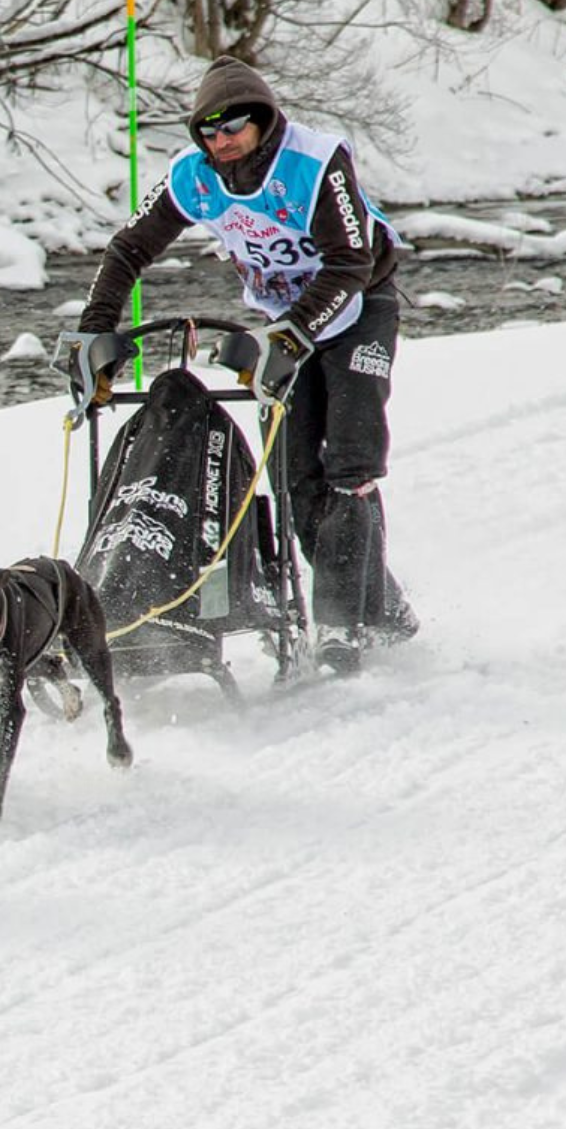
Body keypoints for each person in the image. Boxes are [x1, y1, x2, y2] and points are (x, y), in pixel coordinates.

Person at [76, 54, 417, 673]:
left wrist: (290, 338)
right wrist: (94, 333)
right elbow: (127, 249)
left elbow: (350, 265)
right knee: (290, 475)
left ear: (261, 121)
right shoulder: (194, 176)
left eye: (233, 128)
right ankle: (385, 608)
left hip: (358, 306)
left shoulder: (315, 162)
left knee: (349, 462)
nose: (221, 141)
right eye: (208, 132)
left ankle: (342, 623)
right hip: (284, 318)